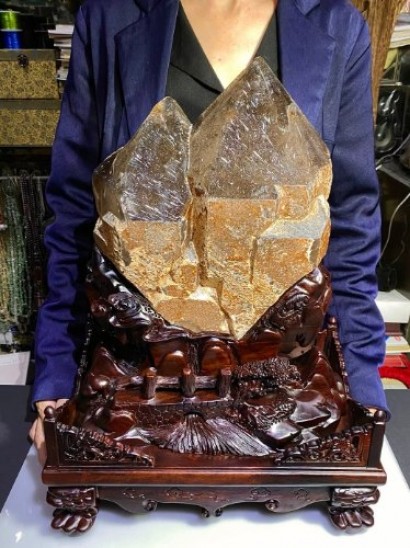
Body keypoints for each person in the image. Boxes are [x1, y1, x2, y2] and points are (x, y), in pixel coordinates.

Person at [29, 0, 388, 463]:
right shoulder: (109, 16)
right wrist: (56, 374)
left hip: (280, 363)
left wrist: (360, 381)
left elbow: (351, 219)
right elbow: (75, 211)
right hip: (139, 358)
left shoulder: (335, 23)